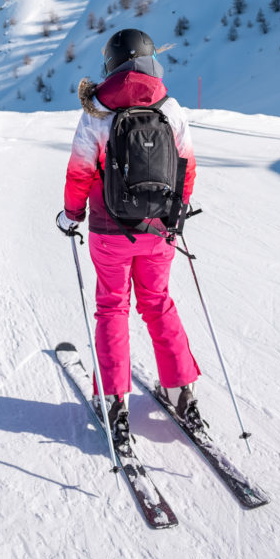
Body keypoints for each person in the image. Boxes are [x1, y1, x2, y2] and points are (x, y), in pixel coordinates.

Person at [56, 28, 202, 446]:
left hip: (109, 231)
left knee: (112, 309)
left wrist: (72, 215)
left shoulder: (97, 111)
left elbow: (80, 172)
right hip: (159, 228)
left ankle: (115, 402)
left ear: (111, 64)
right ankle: (181, 392)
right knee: (158, 303)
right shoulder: (170, 107)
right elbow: (186, 168)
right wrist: (176, 214)